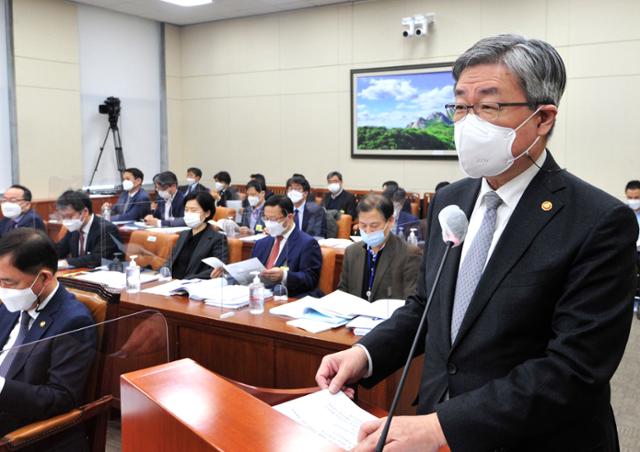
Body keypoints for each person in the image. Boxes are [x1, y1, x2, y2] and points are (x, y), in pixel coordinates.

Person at [315, 34, 638, 452]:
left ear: (543, 118)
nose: (469, 123)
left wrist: (441, 427)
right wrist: (366, 355)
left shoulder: (597, 221)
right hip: (436, 428)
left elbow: (573, 369)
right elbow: (426, 307)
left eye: (488, 106)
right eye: (461, 106)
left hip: (536, 439)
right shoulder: (453, 199)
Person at [0, 229, 96, 450]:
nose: (2, 290)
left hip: (23, 427)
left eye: (8, 282)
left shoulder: (74, 321)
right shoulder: (16, 304)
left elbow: (60, 398)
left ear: (43, 277)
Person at [338, 194, 420, 302]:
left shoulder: (408, 254)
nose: (368, 231)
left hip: (390, 317)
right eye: (363, 225)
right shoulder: (352, 251)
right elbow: (342, 294)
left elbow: (412, 303)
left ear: (390, 221)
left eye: (374, 226)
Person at [252, 195, 322, 297]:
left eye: (273, 219)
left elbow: (310, 279)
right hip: (259, 296)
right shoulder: (261, 243)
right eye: (266, 218)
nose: (268, 223)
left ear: (289, 217)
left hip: (286, 297)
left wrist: (284, 276)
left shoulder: (307, 243)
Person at [163, 192, 228, 280]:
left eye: (194, 210)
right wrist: (164, 270)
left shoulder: (217, 238)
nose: (189, 214)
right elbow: (171, 260)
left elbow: (216, 269)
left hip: (191, 285)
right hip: (170, 282)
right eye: (186, 210)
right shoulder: (183, 235)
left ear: (207, 213)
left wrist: (186, 281)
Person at [55, 190, 121, 269]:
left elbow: (97, 258)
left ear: (85, 212)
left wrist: (66, 262)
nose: (66, 221)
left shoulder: (107, 229)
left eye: (70, 216)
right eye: (63, 217)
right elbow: (59, 250)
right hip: (78, 275)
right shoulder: (73, 229)